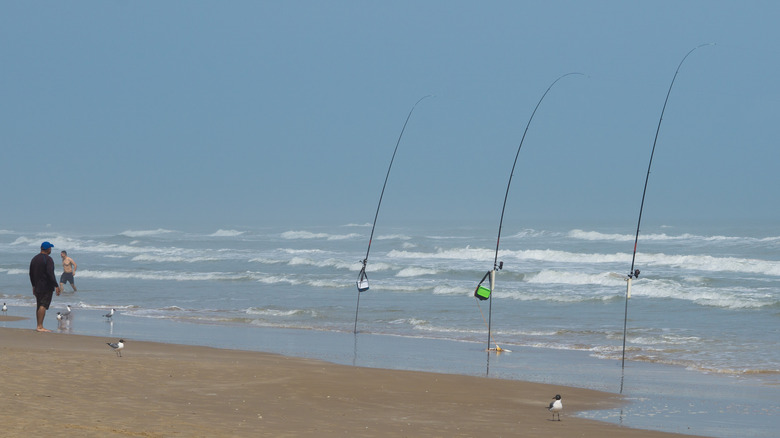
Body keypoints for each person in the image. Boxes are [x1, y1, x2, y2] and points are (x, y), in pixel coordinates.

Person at [29, 241, 61, 332]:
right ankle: (40, 326)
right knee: (43, 305)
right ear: (48, 249)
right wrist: (56, 285)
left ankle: (38, 325)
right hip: (46, 286)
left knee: (39, 305)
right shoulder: (48, 259)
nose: (51, 250)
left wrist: (33, 286)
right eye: (50, 248)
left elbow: (31, 274)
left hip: (37, 286)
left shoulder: (34, 258)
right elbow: (50, 273)